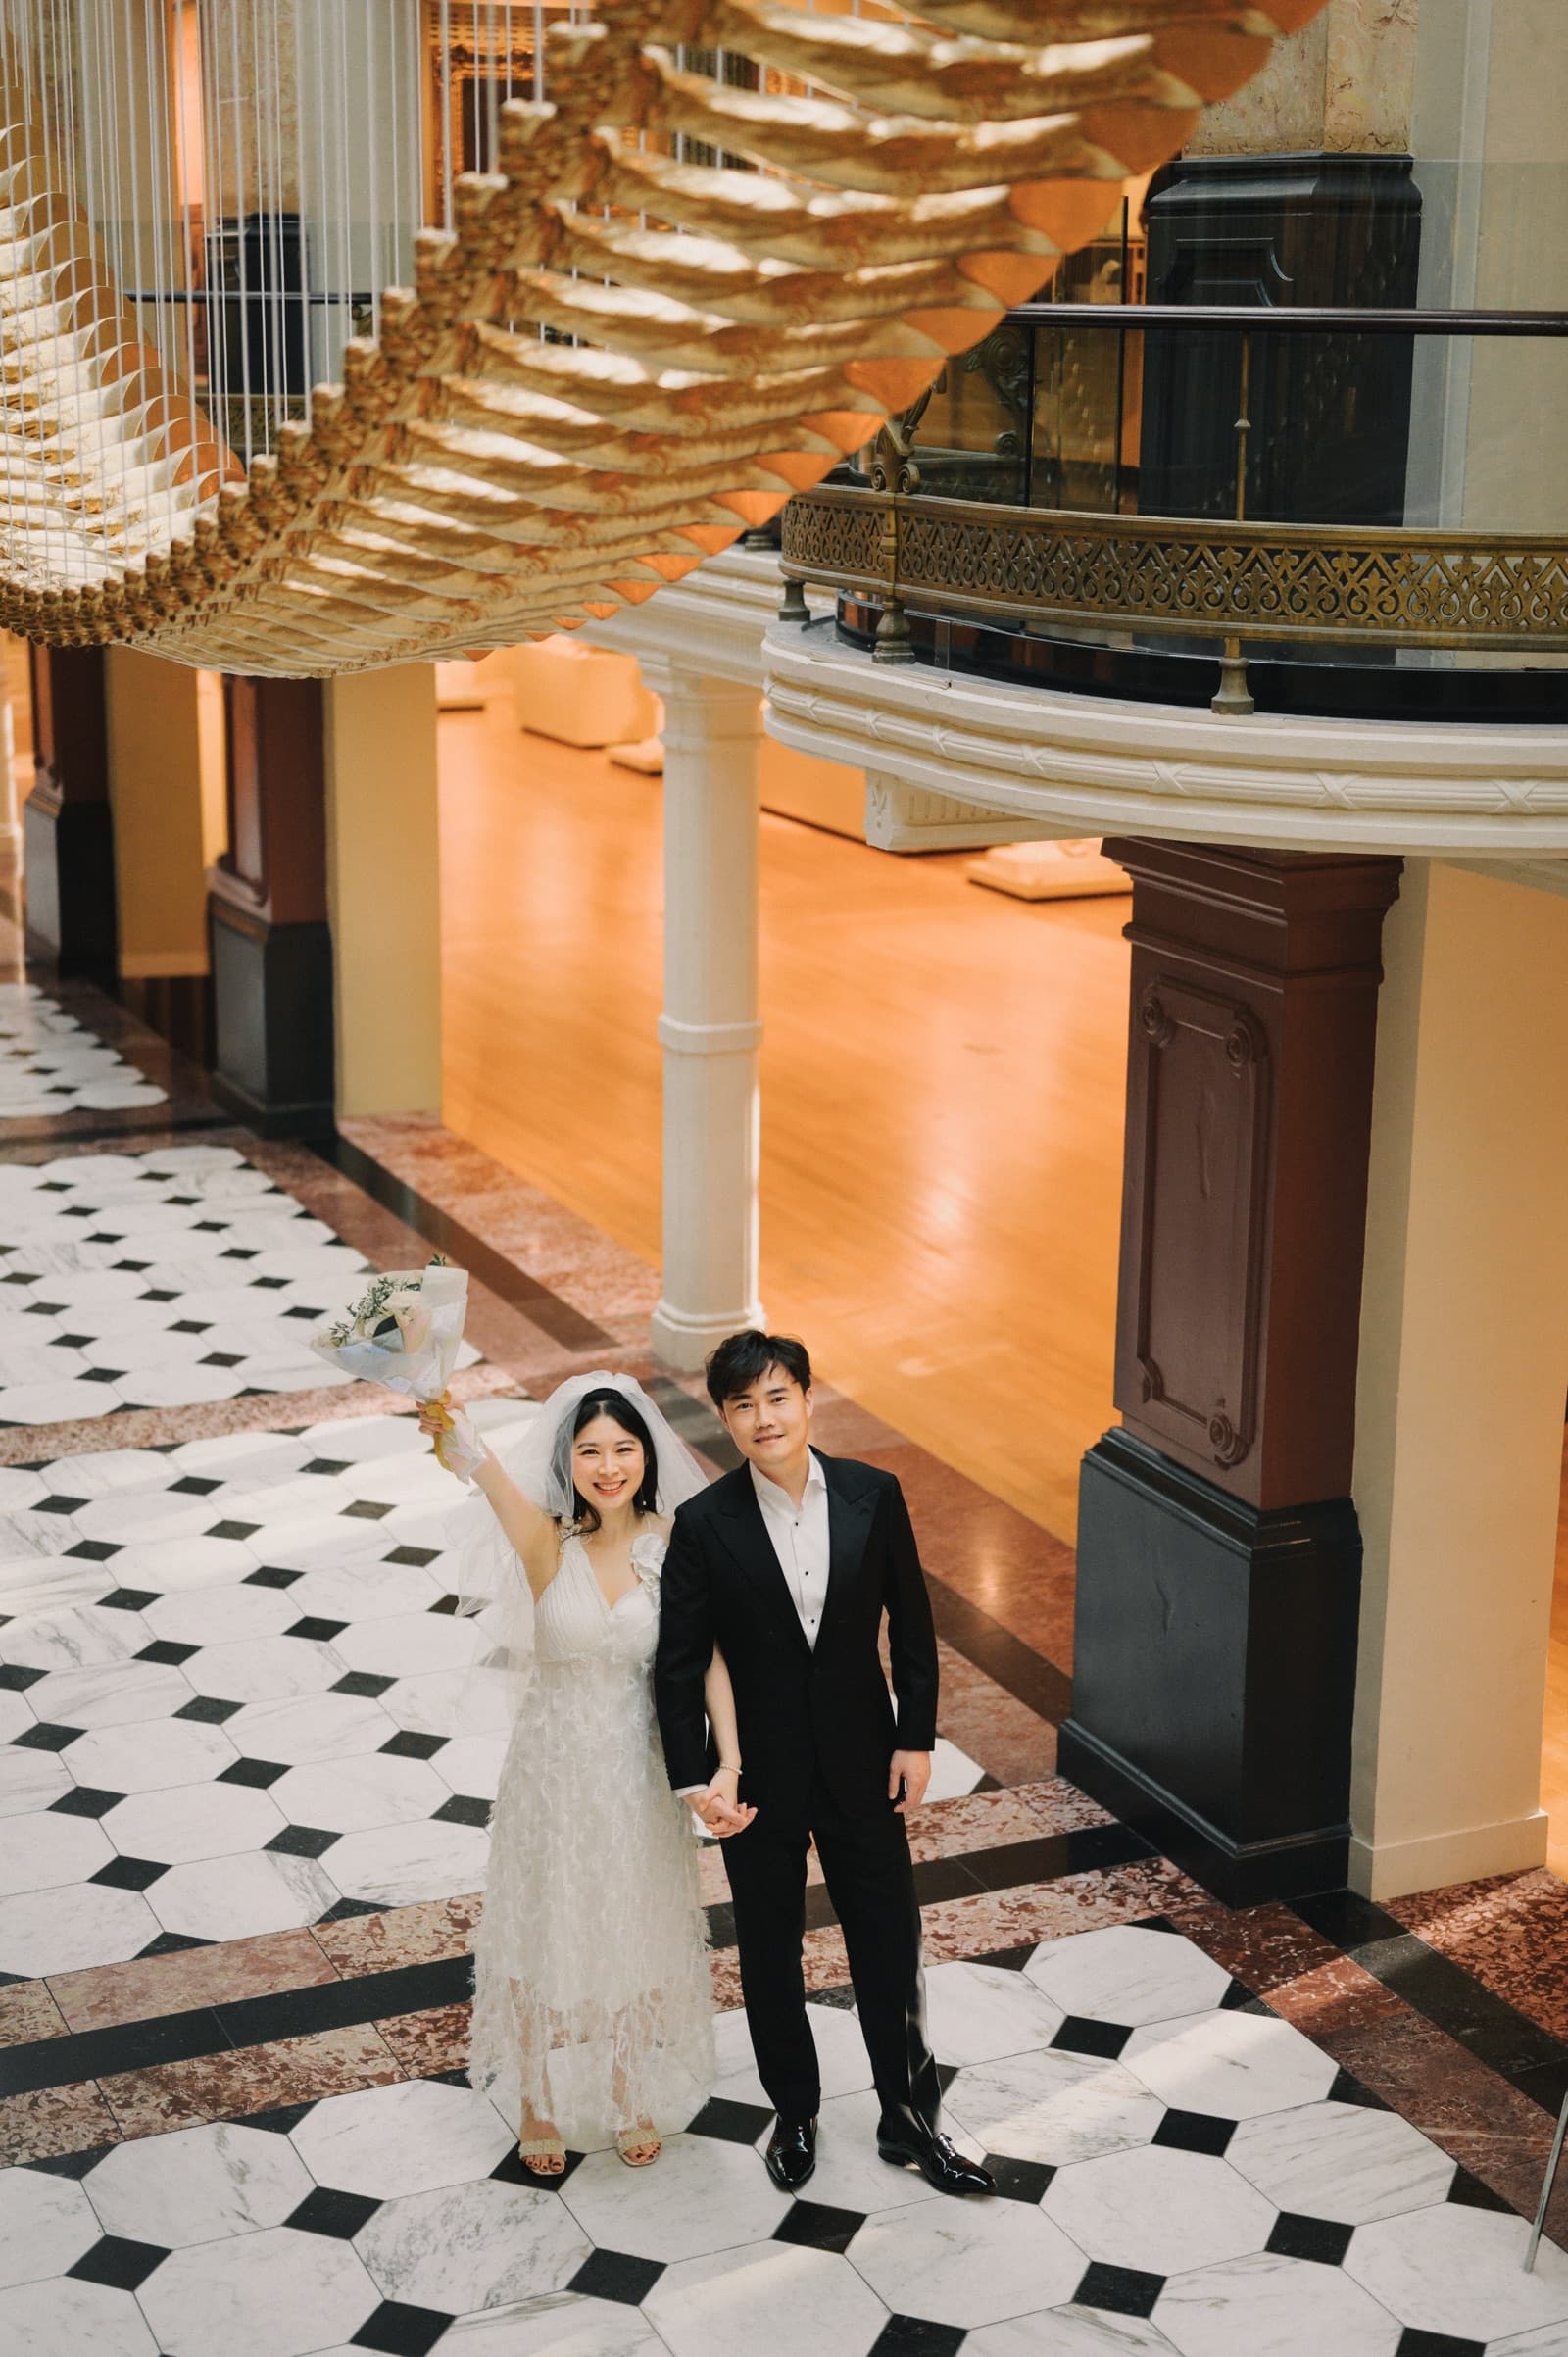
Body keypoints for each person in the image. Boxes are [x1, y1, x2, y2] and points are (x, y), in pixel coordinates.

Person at [654, 1330, 994, 2198]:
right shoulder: (705, 1524)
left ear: (807, 1397)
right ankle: (795, 2113)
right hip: (758, 1781)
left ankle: (909, 2117)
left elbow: (912, 1625)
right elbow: (679, 1662)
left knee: (889, 1942)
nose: (763, 1417)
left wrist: (915, 1736)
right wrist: (697, 1778)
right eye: (742, 1405)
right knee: (770, 1951)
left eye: (777, 1396)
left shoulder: (874, 1494)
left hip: (863, 1761)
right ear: (725, 1418)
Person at [422, 1372, 749, 2174]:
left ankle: (627, 2086)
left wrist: (730, 1762)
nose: (609, 1467)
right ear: (569, 1459)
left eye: (624, 1449)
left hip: (638, 1770)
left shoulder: (677, 1541)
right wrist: (437, 1404)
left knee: (637, 1916)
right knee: (539, 1923)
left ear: (647, 1456)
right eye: (591, 1451)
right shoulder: (545, 1541)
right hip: (551, 1772)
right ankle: (536, 2098)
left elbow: (712, 1657)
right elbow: (478, 1464)